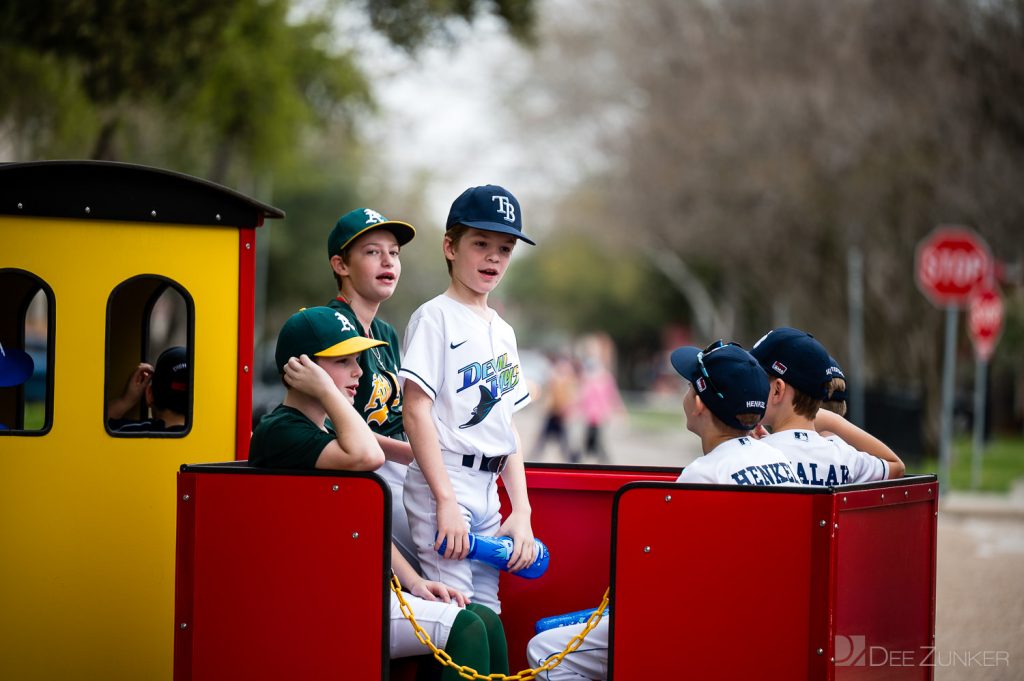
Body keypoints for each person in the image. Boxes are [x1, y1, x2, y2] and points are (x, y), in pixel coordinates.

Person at [249, 306, 508, 677]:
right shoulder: (281, 430)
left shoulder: (325, 430)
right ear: (301, 369)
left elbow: (368, 529)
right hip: (313, 599)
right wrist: (325, 388)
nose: (358, 372)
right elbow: (368, 454)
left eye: (358, 360)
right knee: (465, 627)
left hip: (350, 586)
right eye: (343, 362)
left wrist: (416, 583)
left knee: (483, 616)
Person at [526, 340, 797, 680]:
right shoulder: (778, 459)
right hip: (768, 622)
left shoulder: (701, 476)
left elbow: (667, 577)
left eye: (687, 386)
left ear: (697, 403)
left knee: (545, 650)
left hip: (705, 628)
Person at [400, 184, 537, 613]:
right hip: (447, 478)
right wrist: (444, 500)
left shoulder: (503, 328)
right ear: (450, 247)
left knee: (487, 611)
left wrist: (523, 511)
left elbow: (506, 424)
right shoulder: (434, 317)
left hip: (489, 486)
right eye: (480, 243)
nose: (494, 257)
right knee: (456, 616)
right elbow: (415, 410)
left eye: (505, 247)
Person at [325, 206, 420, 569]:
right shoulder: (327, 329)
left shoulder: (386, 333)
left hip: (396, 469)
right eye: (372, 252)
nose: (388, 261)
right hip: (360, 478)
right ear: (341, 265)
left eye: (394, 252)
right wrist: (418, 457)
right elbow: (330, 429)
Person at [749, 327, 905, 484]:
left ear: (777, 390)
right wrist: (831, 420)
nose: (751, 385)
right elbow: (896, 466)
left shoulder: (752, 457)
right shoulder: (843, 457)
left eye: (757, 378)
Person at [107, 346, 189, 432]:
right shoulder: (203, 439)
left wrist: (125, 401)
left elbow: (96, 426)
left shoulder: (131, 432)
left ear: (149, 395)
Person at [532, 353, 578, 461]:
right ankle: (536, 455)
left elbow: (570, 397)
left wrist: (568, 409)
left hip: (560, 414)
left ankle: (571, 457)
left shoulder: (567, 380)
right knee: (544, 438)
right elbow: (548, 394)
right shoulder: (554, 379)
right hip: (552, 412)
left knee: (563, 439)